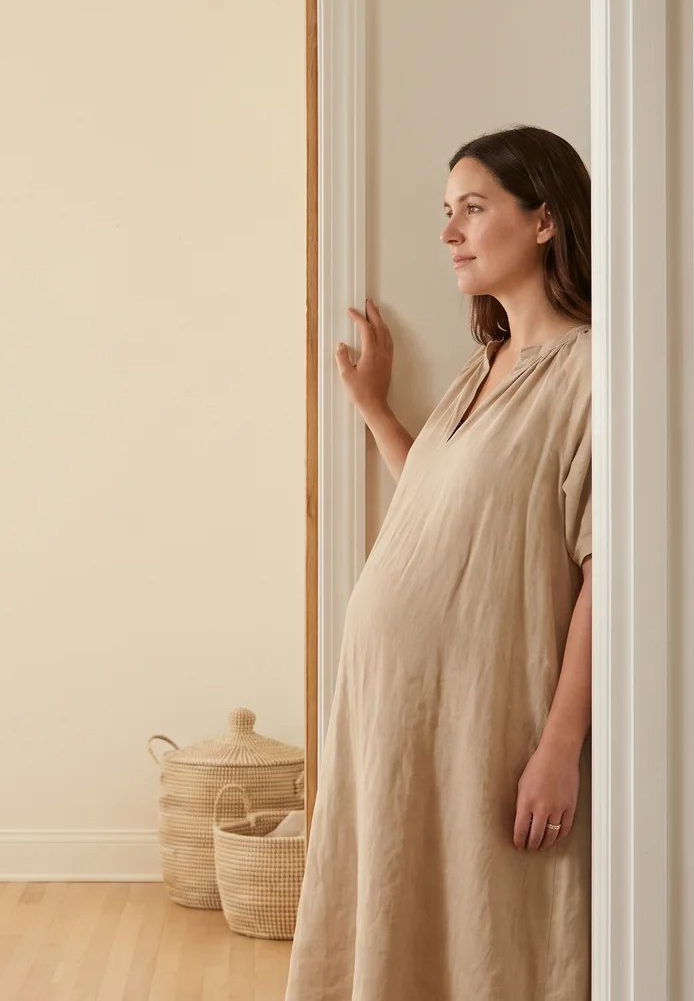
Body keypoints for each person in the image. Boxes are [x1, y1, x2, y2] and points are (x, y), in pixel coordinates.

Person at [286, 125, 594, 1000]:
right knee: (398, 903)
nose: (451, 231)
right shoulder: (483, 366)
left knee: (487, 924)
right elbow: (445, 503)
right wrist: (379, 412)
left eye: (473, 209)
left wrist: (561, 745)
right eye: (446, 214)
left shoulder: (589, 373)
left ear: (543, 221)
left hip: (486, 713)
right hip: (396, 707)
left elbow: (603, 571)